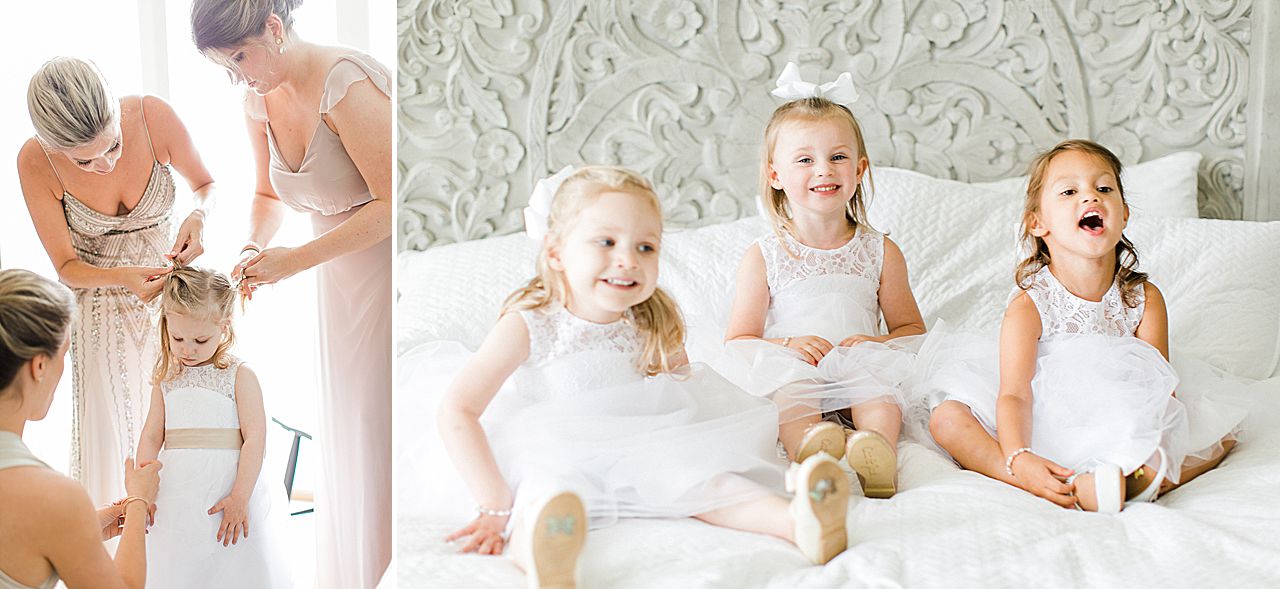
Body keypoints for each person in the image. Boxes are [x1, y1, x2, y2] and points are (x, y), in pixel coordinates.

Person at [427, 166, 854, 585]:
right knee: (545, 495)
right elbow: (458, 409)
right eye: (606, 242)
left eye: (646, 247)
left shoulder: (649, 321)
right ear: (556, 252)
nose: (628, 260)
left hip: (637, 445)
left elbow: (684, 386)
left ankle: (799, 521)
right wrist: (493, 502)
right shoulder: (531, 324)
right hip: (556, 449)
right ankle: (544, 554)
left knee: (698, 477)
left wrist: (694, 442)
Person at [922, 139, 1247, 511]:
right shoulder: (1030, 305)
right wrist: (1018, 454)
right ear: (1038, 223)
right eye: (1069, 191)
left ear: (1123, 214)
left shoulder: (1143, 298)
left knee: (1223, 435)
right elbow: (1014, 393)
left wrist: (1153, 441)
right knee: (947, 419)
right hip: (1035, 413)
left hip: (1119, 410)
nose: (1090, 198)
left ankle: (1136, 482)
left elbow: (1159, 387)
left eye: (1103, 188)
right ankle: (1026, 477)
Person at [190, 1, 392, 584]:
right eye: (226, 68)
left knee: (375, 424)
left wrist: (297, 261)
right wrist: (255, 246)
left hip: (379, 269)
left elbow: (391, 202)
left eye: (240, 59)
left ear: (274, 30)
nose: (239, 77)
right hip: (335, 280)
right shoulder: (258, 98)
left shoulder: (345, 83)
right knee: (350, 431)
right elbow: (270, 196)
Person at [721, 63, 925, 498]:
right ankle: (813, 457)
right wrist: (788, 347)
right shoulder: (764, 256)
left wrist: (876, 344)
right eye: (804, 160)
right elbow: (739, 338)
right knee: (791, 391)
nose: (824, 170)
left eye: (837, 157)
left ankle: (878, 455)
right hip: (799, 363)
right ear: (775, 175)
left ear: (860, 169)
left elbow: (911, 329)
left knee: (878, 388)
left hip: (858, 361)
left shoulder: (880, 251)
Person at [18, 57, 215, 505]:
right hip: (100, 317)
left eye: (114, 147)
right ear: (51, 146)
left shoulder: (152, 116)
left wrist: (201, 214)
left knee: (187, 434)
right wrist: (122, 279)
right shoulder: (35, 162)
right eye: (84, 161)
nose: (105, 165)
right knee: (116, 445)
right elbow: (66, 266)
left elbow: (207, 184)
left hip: (177, 308)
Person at [0, 268, 162, 589]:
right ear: (40, 365)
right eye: (66, 352)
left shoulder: (53, 505)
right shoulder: (52, 497)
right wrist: (139, 501)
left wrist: (81, 530)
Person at [137, 267, 291, 586]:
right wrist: (143, 490)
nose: (187, 348)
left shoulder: (239, 375)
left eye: (200, 339)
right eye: (177, 337)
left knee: (228, 564)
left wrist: (240, 496)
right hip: (176, 491)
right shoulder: (166, 378)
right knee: (179, 565)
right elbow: (152, 435)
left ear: (224, 327)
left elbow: (255, 438)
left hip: (227, 488)